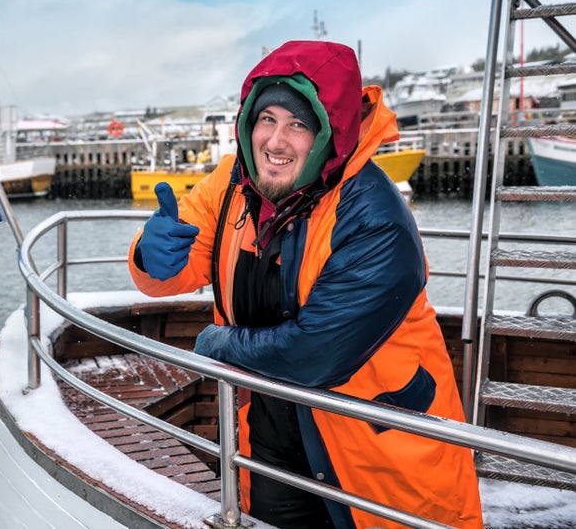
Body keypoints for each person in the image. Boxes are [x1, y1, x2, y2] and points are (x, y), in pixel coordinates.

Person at [128, 40, 483, 529]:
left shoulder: (373, 217)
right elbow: (176, 267)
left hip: (379, 448)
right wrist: (151, 254)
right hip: (270, 437)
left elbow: (313, 355)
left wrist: (218, 342)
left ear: (329, 136)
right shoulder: (233, 184)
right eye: (266, 119)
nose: (275, 141)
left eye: (298, 124)